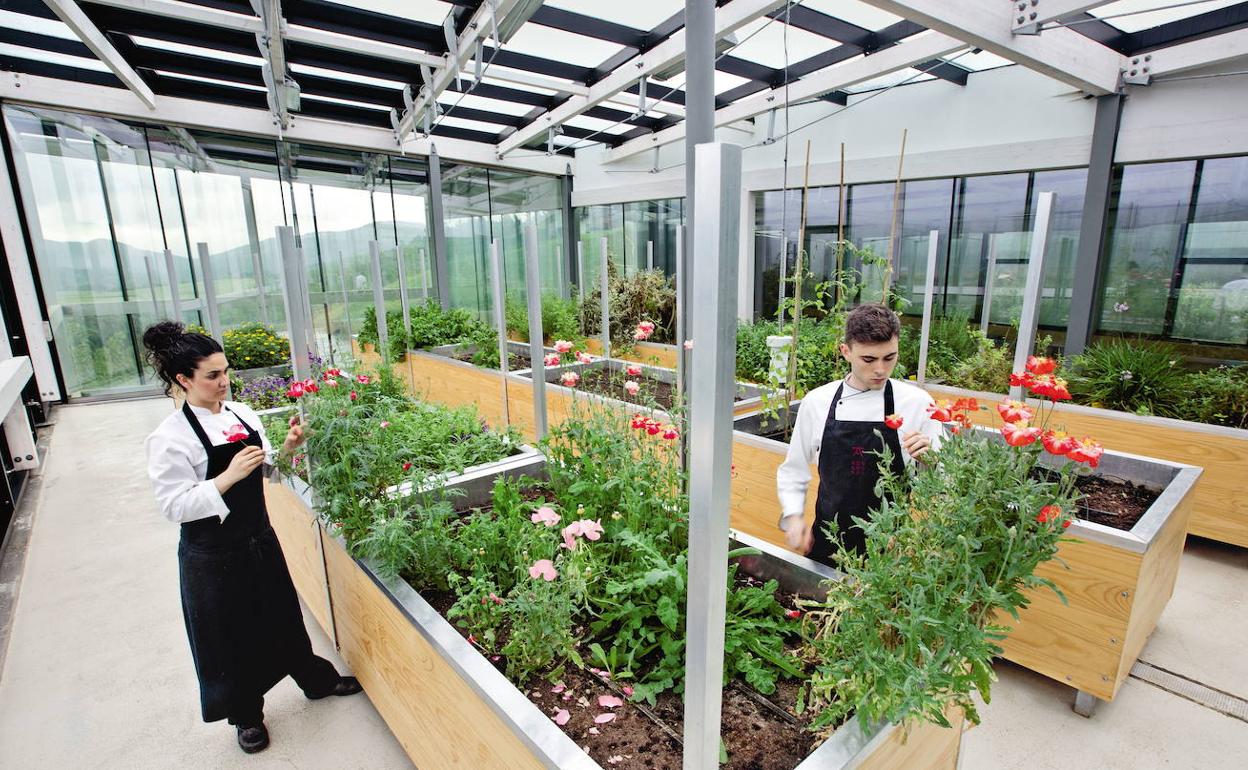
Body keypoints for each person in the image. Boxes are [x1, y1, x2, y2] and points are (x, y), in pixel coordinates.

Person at [142, 321, 362, 754]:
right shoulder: (170, 438)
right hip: (211, 555)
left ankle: (314, 680)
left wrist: (290, 448)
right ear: (183, 379)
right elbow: (174, 507)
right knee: (230, 638)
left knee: (283, 615)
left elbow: (266, 472)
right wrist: (226, 477)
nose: (224, 382)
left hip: (258, 538)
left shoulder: (243, 414)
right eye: (212, 376)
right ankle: (246, 715)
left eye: (226, 372)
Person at [776, 303, 943, 564]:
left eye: (889, 358)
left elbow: (943, 481)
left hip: (890, 553)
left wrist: (931, 460)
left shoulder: (917, 403)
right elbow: (794, 470)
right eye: (869, 359)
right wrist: (794, 515)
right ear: (846, 351)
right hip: (828, 543)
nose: (880, 369)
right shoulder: (818, 402)